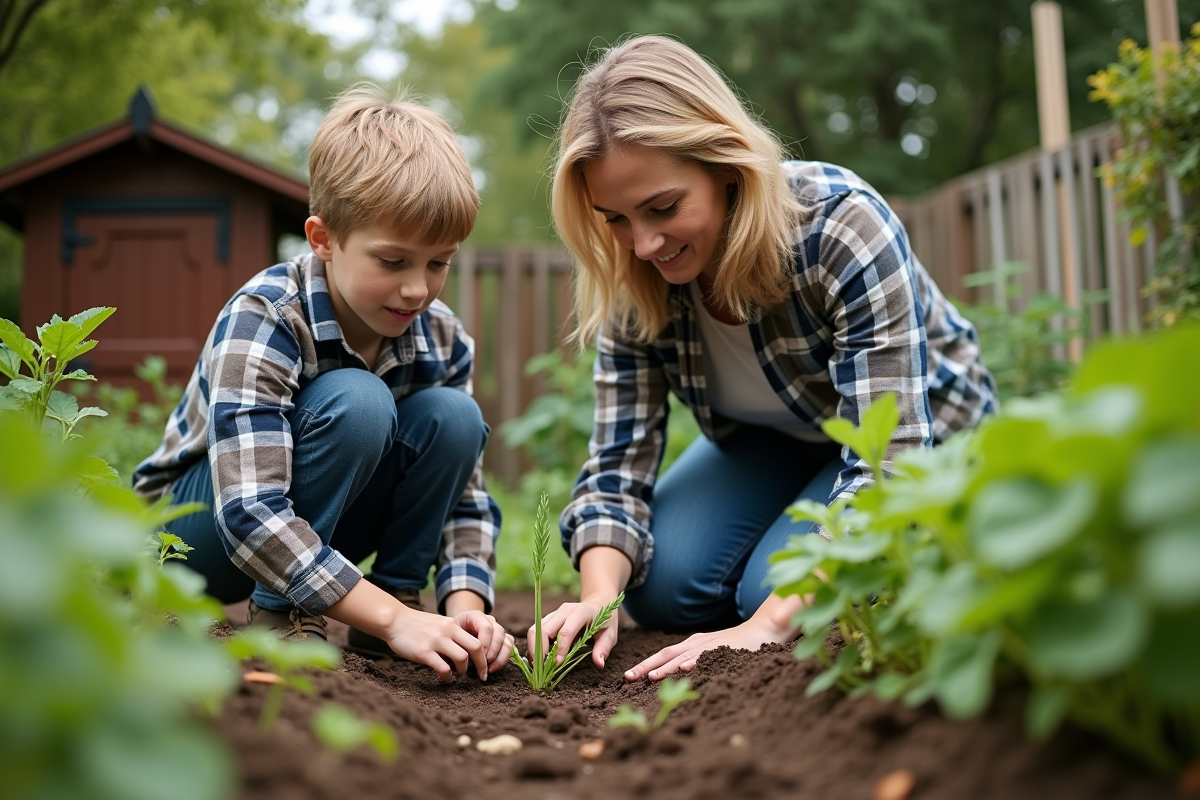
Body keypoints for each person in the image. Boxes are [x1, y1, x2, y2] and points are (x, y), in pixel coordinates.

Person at [533, 36, 997, 682]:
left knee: (771, 598)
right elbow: (617, 464)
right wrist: (598, 598)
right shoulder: (634, 278)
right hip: (777, 439)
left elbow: (889, 461)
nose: (642, 245)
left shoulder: (840, 227)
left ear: (727, 167)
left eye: (663, 208)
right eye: (615, 219)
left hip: (919, 435)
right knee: (659, 590)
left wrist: (765, 625)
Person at [133, 83, 513, 682]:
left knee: (455, 418)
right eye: (393, 261)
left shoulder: (440, 336)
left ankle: (393, 599)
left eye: (438, 262)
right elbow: (248, 510)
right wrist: (395, 621)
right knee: (359, 401)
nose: (418, 288)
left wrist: (467, 610)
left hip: (316, 535)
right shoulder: (266, 315)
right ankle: (283, 613)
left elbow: (463, 499)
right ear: (323, 239)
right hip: (199, 536)